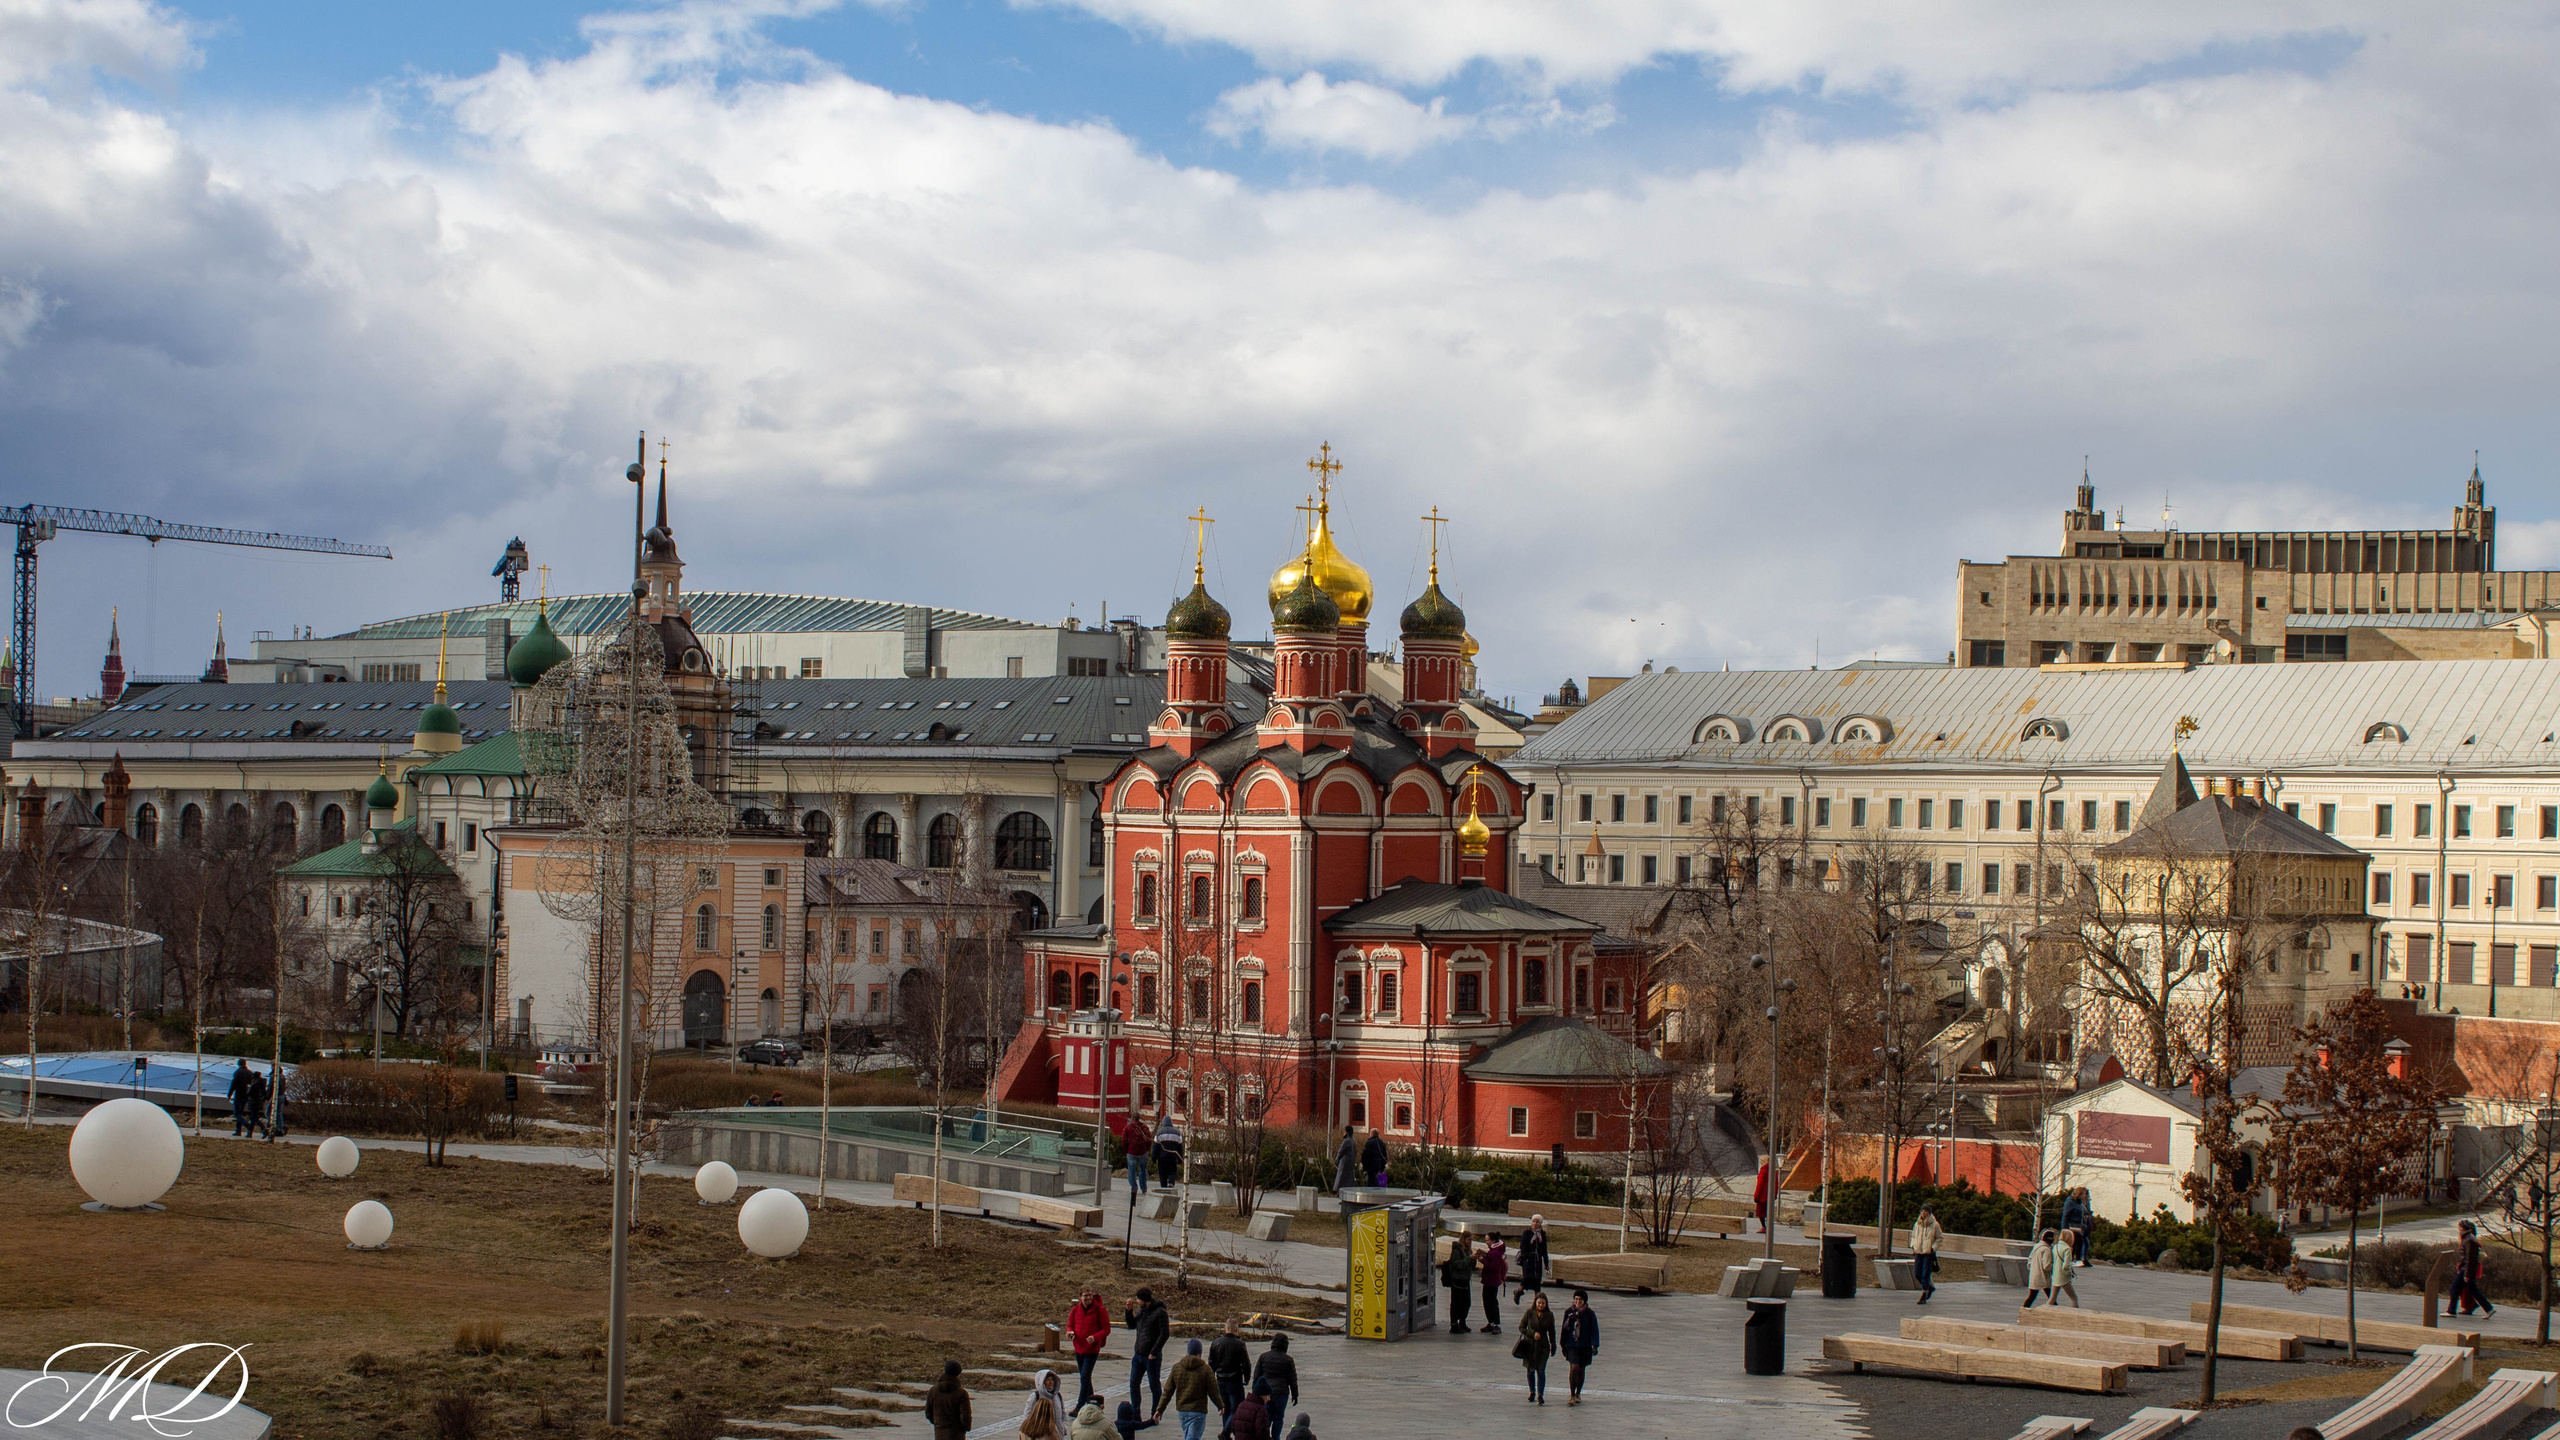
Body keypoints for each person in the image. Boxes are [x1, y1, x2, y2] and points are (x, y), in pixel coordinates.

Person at [1160, 1338, 1219, 1440]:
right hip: (1198, 1411)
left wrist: (1160, 1409)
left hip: (1182, 1411)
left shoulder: (1177, 1367)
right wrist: (1220, 1405)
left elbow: (1167, 1391)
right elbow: (1213, 1391)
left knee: (1189, 1436)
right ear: (1199, 1353)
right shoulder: (1205, 1369)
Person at [1125, 1286, 1169, 1416]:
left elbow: (1164, 1334)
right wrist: (1128, 1311)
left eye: (1138, 1299)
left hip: (1151, 1356)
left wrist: (1154, 1352)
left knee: (1154, 1384)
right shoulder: (1142, 1311)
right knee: (1133, 1383)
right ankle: (1135, 1412)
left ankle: (1155, 1412)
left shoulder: (1160, 1312)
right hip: (1138, 1354)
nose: (1137, 1301)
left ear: (1145, 1299)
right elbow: (1132, 1325)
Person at [1067, 1287, 1113, 1411]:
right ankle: (1093, 1402)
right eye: (1085, 1295)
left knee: (1084, 1377)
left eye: (1090, 1295)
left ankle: (1080, 1405)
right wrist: (1070, 1332)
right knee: (1085, 1377)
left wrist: (1095, 1337)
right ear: (1080, 1297)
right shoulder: (1075, 1310)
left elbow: (1106, 1329)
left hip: (1092, 1349)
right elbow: (1070, 1324)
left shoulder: (1100, 1310)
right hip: (1079, 1347)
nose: (1088, 1298)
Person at [1250, 1334, 1297, 1438]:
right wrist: (1295, 1394)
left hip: (1266, 1394)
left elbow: (1257, 1376)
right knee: (1278, 1418)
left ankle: (1265, 1436)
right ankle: (1276, 1437)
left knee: (1266, 1416)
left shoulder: (1263, 1357)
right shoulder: (1288, 1360)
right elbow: (1292, 1379)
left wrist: (1255, 1392)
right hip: (1281, 1393)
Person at [1514, 1291, 1556, 1405]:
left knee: (1541, 1370)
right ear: (1535, 1303)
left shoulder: (1549, 1315)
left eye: (1543, 1303)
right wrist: (1532, 1333)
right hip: (1530, 1345)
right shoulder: (1529, 1312)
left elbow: (1552, 1332)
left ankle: (1540, 1394)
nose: (1541, 1305)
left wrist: (1554, 1345)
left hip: (1543, 1346)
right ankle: (1532, 1391)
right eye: (1539, 1303)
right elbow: (1521, 1327)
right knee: (1530, 1370)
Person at [1558, 1288, 1599, 1406]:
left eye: (1580, 1299)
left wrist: (1595, 1345)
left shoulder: (1590, 1314)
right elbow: (1564, 1329)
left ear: (1584, 1301)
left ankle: (1578, 1393)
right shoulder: (1569, 1312)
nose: (1577, 1301)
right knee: (1574, 1368)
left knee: (1581, 1369)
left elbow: (1594, 1329)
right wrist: (1562, 1344)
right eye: (1576, 1299)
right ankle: (1571, 1394)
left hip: (1585, 1345)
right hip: (1572, 1344)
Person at [1206, 1320, 1250, 1416]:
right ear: (1236, 1329)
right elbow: (1246, 1364)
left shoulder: (1215, 1343)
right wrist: (1246, 1378)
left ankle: (1225, 1428)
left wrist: (1211, 1378)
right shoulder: (1240, 1344)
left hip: (1220, 1379)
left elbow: (1211, 1363)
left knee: (1225, 1408)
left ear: (1225, 1329)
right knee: (1237, 1409)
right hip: (1235, 1380)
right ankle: (1229, 1429)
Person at [2451, 1220, 2494, 1317]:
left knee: (2455, 1288)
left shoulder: (2469, 1240)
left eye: (2460, 1228)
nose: (2459, 1230)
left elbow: (2469, 1258)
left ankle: (2452, 1310)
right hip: (2468, 1269)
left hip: (2467, 1269)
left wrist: (2467, 1273)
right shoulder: (2468, 1239)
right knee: (2470, 1289)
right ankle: (2487, 1308)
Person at [925, 1360, 972, 1440]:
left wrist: (938, 1423)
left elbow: (928, 1413)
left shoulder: (933, 1391)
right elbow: (965, 1416)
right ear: (958, 1374)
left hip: (939, 1433)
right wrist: (965, 1428)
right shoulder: (962, 1393)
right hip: (956, 1434)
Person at [1439, 1235, 1476, 1333]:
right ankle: (1454, 1324)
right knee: (1456, 1302)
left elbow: (1471, 1266)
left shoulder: (1469, 1250)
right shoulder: (1457, 1251)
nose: (1470, 1241)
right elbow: (1456, 1265)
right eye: (1469, 1239)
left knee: (1466, 1303)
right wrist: (1469, 1259)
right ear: (1464, 1239)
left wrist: (1474, 1259)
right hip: (1457, 1280)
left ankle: (1462, 1321)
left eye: (1471, 1240)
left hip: (1466, 1279)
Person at [1910, 1204, 1943, 1305]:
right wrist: (1913, 1245)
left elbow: (1939, 1238)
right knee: (1917, 1274)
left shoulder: (1934, 1225)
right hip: (1918, 1251)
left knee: (1925, 1274)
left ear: (1929, 1213)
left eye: (1926, 1211)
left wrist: (1933, 1248)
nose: (1923, 1213)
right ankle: (1929, 1287)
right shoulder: (1917, 1224)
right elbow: (1914, 1235)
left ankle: (1924, 1293)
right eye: (1922, 1211)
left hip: (1928, 1253)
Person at [1020, 1371, 1066, 1440]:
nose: (1051, 1382)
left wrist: (1064, 1427)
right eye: (1048, 1380)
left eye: (1052, 1379)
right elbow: (1027, 1415)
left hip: (1058, 1434)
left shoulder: (1058, 1396)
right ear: (1042, 1381)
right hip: (1040, 1434)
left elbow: (1063, 1413)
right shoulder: (1035, 1396)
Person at [1477, 1236, 1508, 1332]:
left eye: (1487, 1240)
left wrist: (1482, 1260)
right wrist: (1486, 1256)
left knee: (1492, 1302)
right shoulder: (1494, 1251)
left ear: (1493, 1241)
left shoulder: (1495, 1252)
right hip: (1489, 1280)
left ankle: (1496, 1324)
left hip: (1492, 1281)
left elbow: (1493, 1267)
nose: (1486, 1242)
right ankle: (1491, 1323)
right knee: (1487, 1302)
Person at [2045, 1227, 2081, 1308]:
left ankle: (2044, 1311)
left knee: (2052, 1299)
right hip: (2064, 1277)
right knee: (2074, 1298)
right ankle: (2075, 1314)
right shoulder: (2067, 1249)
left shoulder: (2055, 1246)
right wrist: (2069, 1273)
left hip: (2055, 1276)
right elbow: (2066, 1266)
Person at [1122, 1114, 1156, 1197]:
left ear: (1133, 1118)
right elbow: (1149, 1139)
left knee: (1132, 1171)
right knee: (1143, 1170)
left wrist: (1127, 1150)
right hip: (1142, 1152)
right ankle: (1144, 1188)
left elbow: (1124, 1140)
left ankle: (1134, 1187)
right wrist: (1146, 1149)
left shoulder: (1128, 1128)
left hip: (1131, 1152)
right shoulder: (1144, 1128)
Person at [1517, 1216, 1550, 1300]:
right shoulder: (1527, 1233)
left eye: (1537, 1222)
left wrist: (1546, 1263)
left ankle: (1536, 1302)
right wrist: (1526, 1256)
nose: (1535, 1224)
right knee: (1526, 1279)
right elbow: (1523, 1246)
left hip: (1537, 1260)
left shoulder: (1542, 1234)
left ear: (1540, 1224)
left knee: (1537, 1281)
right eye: (1534, 1221)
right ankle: (1518, 1292)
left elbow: (1544, 1249)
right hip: (1528, 1260)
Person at [2023, 1229, 2057, 1308]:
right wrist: (2054, 1265)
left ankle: (2023, 1311)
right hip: (2043, 1277)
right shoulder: (2047, 1250)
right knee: (2051, 1297)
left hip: (2034, 1275)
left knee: (2032, 1296)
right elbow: (2046, 1266)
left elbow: (2029, 1262)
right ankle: (2056, 1310)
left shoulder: (2036, 1246)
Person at [2062, 1189, 2094, 1263]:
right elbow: (2065, 1216)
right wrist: (2064, 1228)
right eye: (2082, 1194)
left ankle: (2078, 1259)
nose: (2084, 1196)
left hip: (2079, 1227)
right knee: (2075, 1243)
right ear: (2078, 1194)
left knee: (2080, 1243)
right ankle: (2073, 1259)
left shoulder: (2080, 1203)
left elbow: (2085, 1213)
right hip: (2072, 1226)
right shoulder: (2070, 1202)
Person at [1155, 1115, 1185, 1188]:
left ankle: (1163, 1187)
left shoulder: (1159, 1132)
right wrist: (1180, 1158)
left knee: (1162, 1173)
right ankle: (1171, 1182)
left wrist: (1153, 1157)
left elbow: (1155, 1147)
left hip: (1162, 1158)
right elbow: (1180, 1147)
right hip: (1172, 1157)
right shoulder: (1177, 1133)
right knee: (1172, 1171)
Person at [226, 1061, 253, 1137]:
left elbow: (233, 1084)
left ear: (238, 1064)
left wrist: (229, 1095)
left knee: (237, 1113)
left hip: (238, 1094)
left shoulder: (238, 1072)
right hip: (246, 1095)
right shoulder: (250, 1072)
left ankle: (247, 1126)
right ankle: (238, 1130)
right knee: (240, 1113)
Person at [1331, 1126, 1359, 1192]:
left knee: (1341, 1178)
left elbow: (1341, 1151)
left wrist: (1336, 1160)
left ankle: (1338, 1190)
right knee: (1349, 1179)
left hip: (1344, 1162)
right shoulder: (1354, 1141)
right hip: (1351, 1162)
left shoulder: (1346, 1141)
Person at [1752, 1158, 1771, 1233]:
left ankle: (1764, 1226)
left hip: (1762, 1196)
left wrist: (1756, 1195)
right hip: (1769, 1196)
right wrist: (1774, 1195)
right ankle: (1768, 1226)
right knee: (1768, 1212)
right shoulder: (1773, 1171)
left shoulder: (1764, 1171)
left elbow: (1760, 1185)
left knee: (1761, 1212)